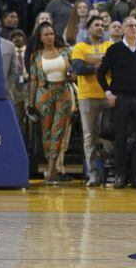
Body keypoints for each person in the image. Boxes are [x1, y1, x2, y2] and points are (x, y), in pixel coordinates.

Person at [97, 17, 136, 188]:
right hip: (120, 99)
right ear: (123, 30)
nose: (133, 28)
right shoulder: (114, 49)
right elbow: (101, 73)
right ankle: (120, 175)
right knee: (120, 139)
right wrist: (108, 92)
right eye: (129, 25)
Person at [27, 22, 74, 185]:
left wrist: (72, 73)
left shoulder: (65, 51)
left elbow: (73, 72)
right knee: (46, 133)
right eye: (46, 34)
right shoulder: (36, 55)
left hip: (63, 93)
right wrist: (31, 103)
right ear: (40, 37)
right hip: (44, 95)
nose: (49, 37)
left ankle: (52, 170)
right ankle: (50, 168)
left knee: (58, 131)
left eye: (51, 34)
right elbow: (33, 80)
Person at [69, 15, 112, 187]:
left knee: (110, 136)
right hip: (87, 96)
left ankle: (110, 173)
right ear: (88, 29)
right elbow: (78, 69)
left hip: (108, 94)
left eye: (102, 25)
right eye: (96, 25)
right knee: (90, 137)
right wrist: (100, 65)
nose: (100, 27)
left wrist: (93, 64)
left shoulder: (109, 45)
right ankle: (93, 175)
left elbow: (113, 66)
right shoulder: (80, 46)